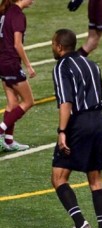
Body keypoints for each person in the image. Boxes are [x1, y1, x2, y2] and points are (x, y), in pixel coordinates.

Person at [51, 28, 102, 228]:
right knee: (95, 179)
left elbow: (66, 102)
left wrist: (62, 131)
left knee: (58, 177)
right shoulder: (92, 64)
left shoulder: (62, 67)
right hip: (99, 120)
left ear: (59, 45)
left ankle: (80, 223)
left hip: (79, 124)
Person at [0, 0, 35, 152]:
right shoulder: (17, 14)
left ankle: (8, 141)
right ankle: (1, 130)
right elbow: (17, 44)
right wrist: (28, 65)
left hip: (2, 62)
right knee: (28, 101)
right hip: (11, 63)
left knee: (13, 103)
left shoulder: (4, 12)